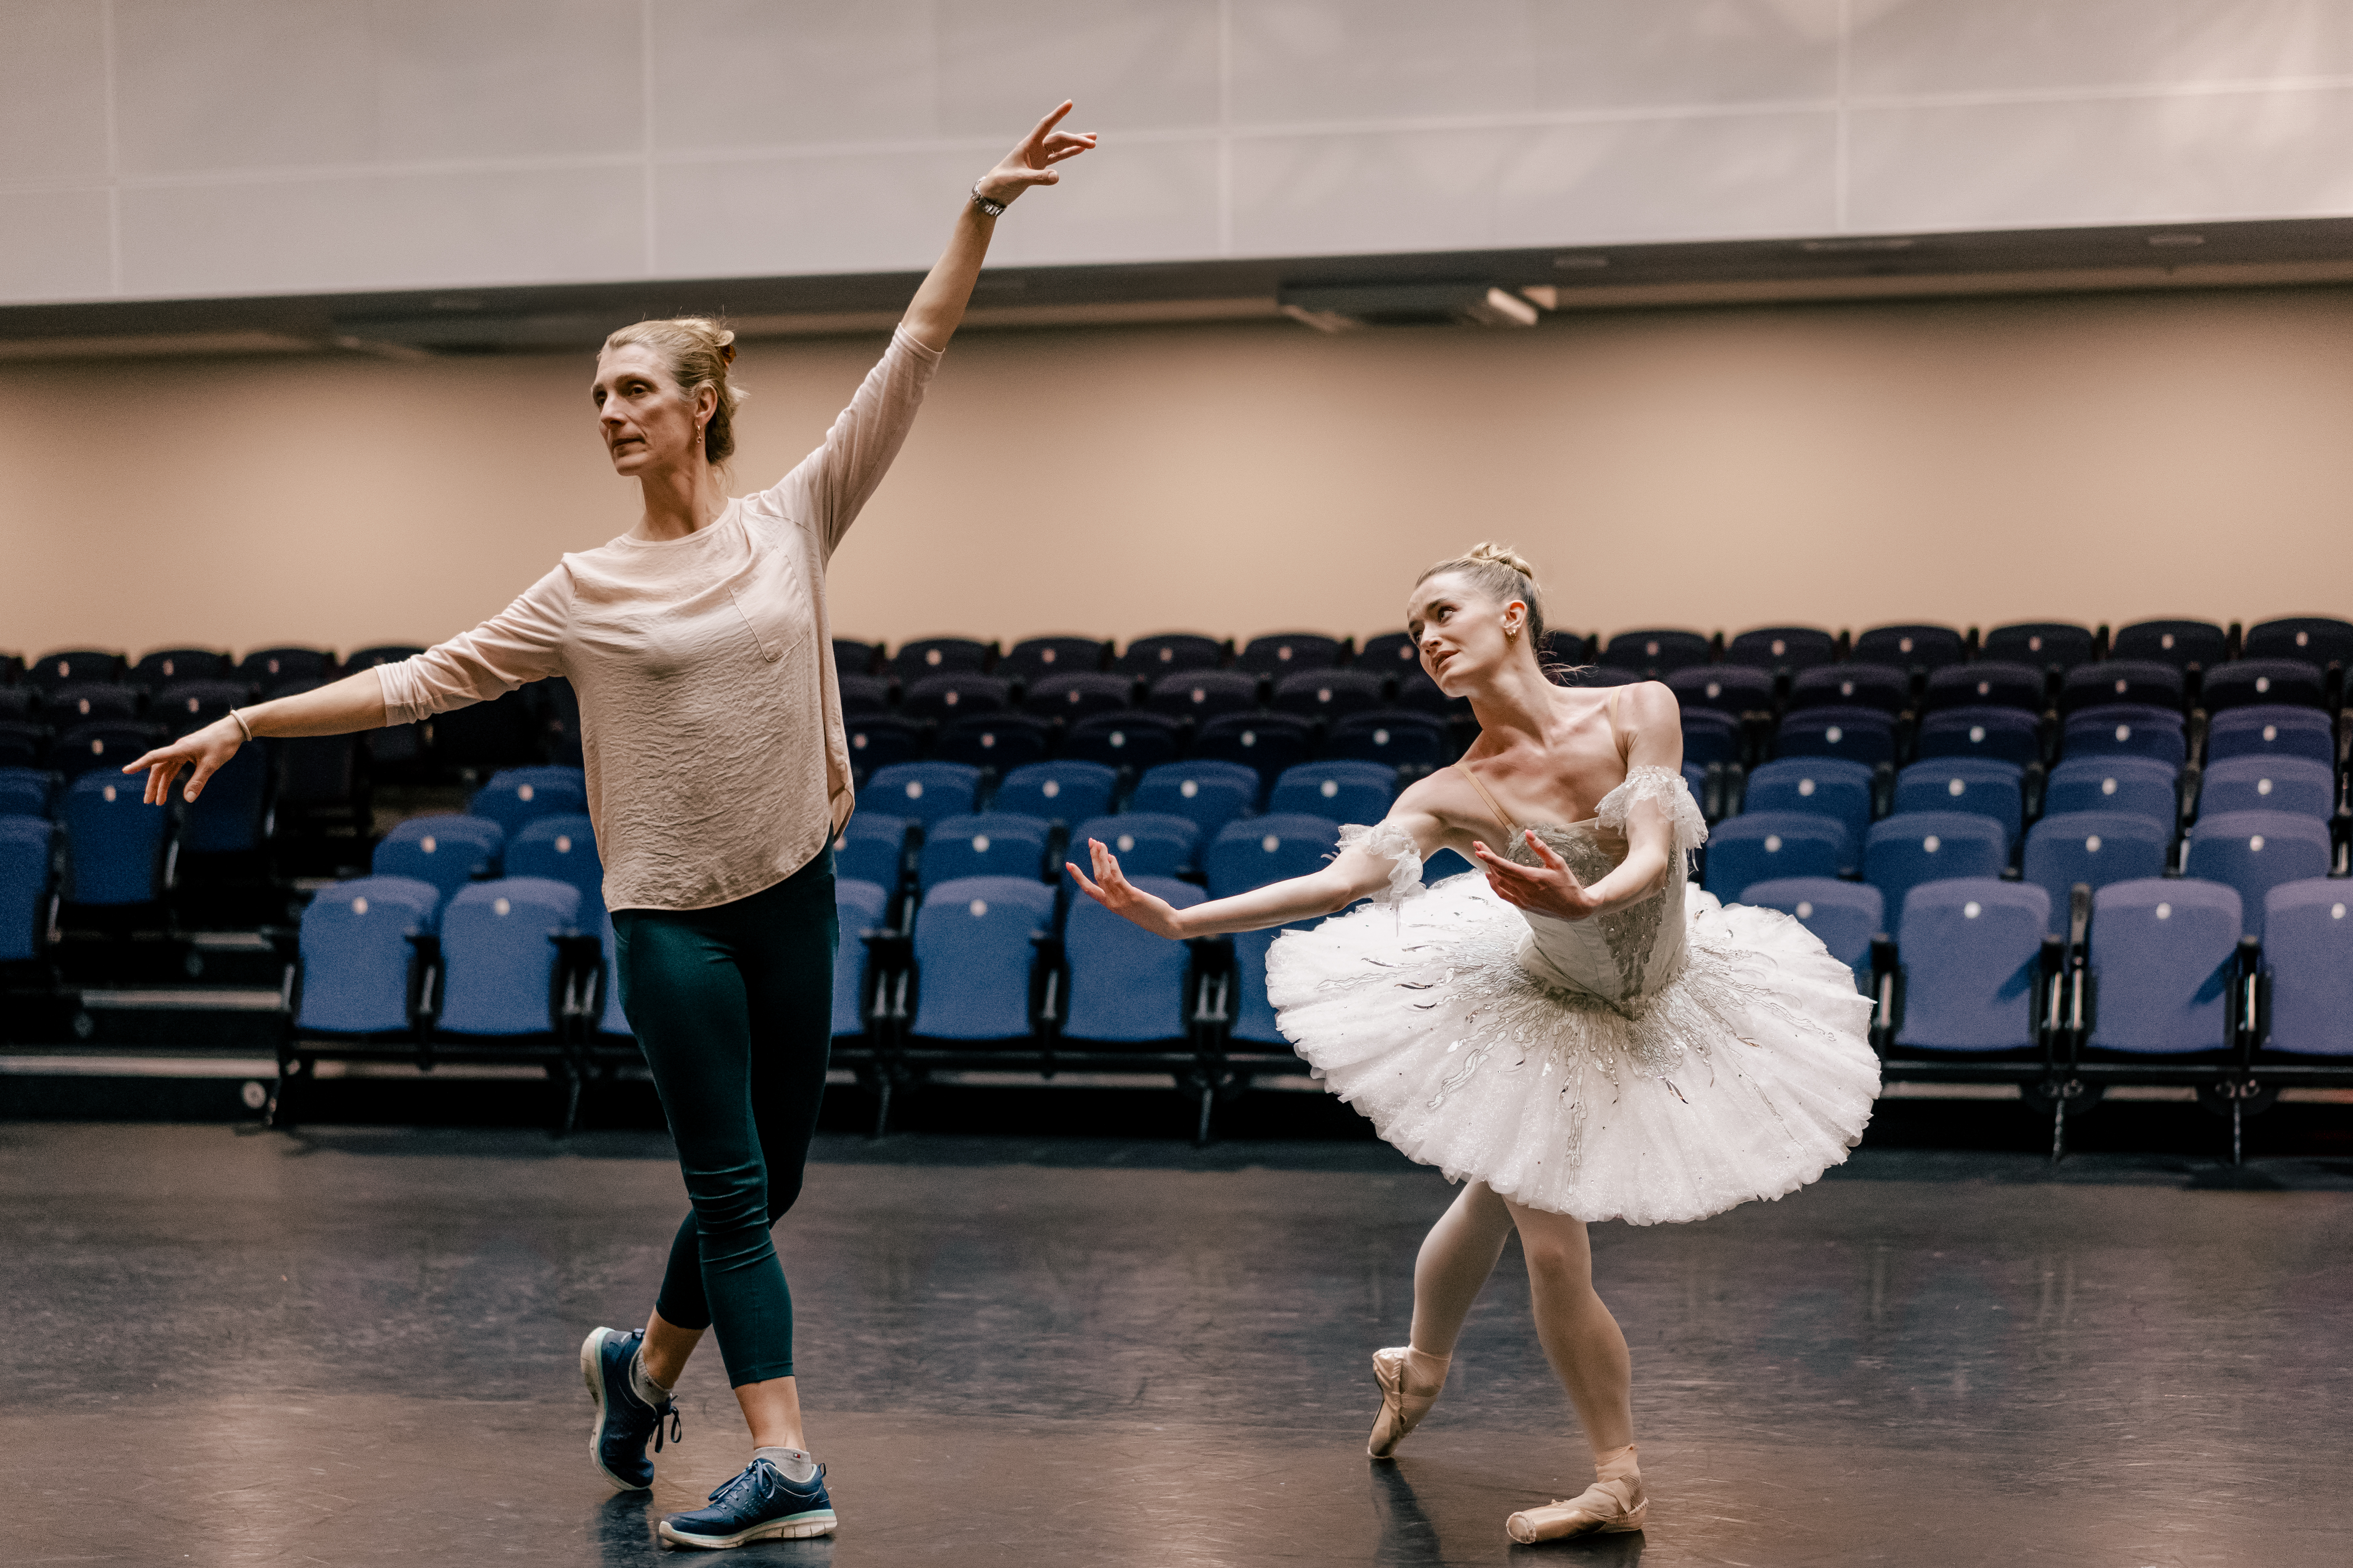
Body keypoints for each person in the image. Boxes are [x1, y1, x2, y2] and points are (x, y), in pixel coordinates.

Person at [123, 102, 1097, 1551]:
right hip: (667, 920)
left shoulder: (794, 519)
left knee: (782, 1176)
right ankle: (786, 1464)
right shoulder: (580, 587)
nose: (609, 412)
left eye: (633, 388)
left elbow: (916, 352)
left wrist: (982, 205)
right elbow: (420, 679)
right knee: (736, 1194)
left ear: (702, 401)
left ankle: (638, 1381)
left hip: (792, 895)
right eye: (596, 394)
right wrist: (251, 720)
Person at [1069, 543, 1879, 1544]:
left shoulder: (1641, 709)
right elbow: (1340, 883)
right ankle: (1618, 1478)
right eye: (1415, 633)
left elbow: (1657, 851)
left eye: (1443, 614)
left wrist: (1586, 897)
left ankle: (1417, 1368)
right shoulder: (1449, 792)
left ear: (1513, 615)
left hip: (1670, 981)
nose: (1428, 641)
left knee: (1492, 1188)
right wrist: (1183, 922)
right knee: (1551, 1243)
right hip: (1548, 1009)